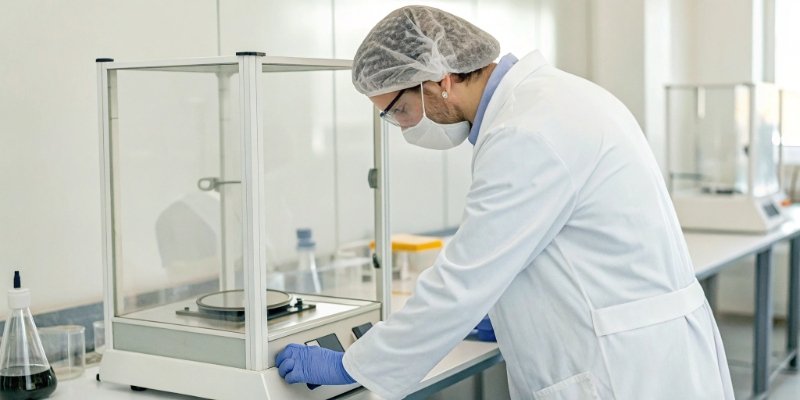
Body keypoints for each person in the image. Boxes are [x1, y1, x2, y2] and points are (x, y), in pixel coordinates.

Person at [276, 5, 734, 399]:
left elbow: (462, 282)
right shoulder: (555, 98)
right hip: (643, 346)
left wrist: (355, 364)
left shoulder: (525, 133)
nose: (401, 126)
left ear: (438, 81)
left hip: (624, 369)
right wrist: (509, 308)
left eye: (398, 110)